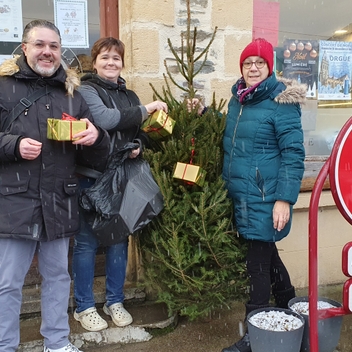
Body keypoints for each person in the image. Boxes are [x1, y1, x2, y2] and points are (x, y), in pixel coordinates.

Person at [0, 20, 110, 352]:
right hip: (16, 202)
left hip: (59, 202)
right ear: (24, 48)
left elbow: (100, 152)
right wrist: (13, 145)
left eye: (54, 46)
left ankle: (57, 343)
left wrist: (96, 136)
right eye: (40, 45)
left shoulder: (72, 93)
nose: (47, 52)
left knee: (59, 279)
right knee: (8, 284)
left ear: (60, 52)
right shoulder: (3, 87)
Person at [189, 38, 306, 352]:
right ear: (241, 67)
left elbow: (293, 154)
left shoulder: (282, 102)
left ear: (269, 67)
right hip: (240, 194)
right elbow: (233, 131)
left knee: (257, 263)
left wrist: (284, 199)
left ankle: (254, 336)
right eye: (247, 63)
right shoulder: (239, 100)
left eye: (259, 63)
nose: (253, 68)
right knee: (268, 254)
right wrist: (204, 113)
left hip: (266, 197)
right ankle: (293, 310)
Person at [72, 37, 167, 332]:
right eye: (105, 57)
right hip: (91, 177)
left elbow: (143, 133)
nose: (111, 63)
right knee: (86, 243)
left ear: (122, 63)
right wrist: (147, 108)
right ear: (95, 61)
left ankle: (115, 300)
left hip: (122, 178)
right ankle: (84, 306)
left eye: (116, 58)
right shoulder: (86, 90)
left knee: (117, 240)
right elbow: (106, 119)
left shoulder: (129, 95)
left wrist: (138, 143)